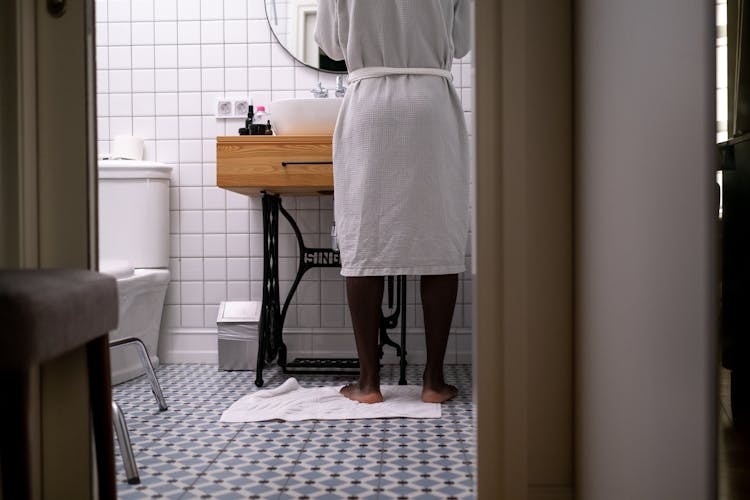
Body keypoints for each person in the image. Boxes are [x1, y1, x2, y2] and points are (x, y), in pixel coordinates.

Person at [315, 0, 471, 404]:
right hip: (430, 102)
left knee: (364, 236)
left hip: (369, 103)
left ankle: (368, 383)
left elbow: (331, 46)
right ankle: (434, 381)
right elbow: (463, 42)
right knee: (439, 236)